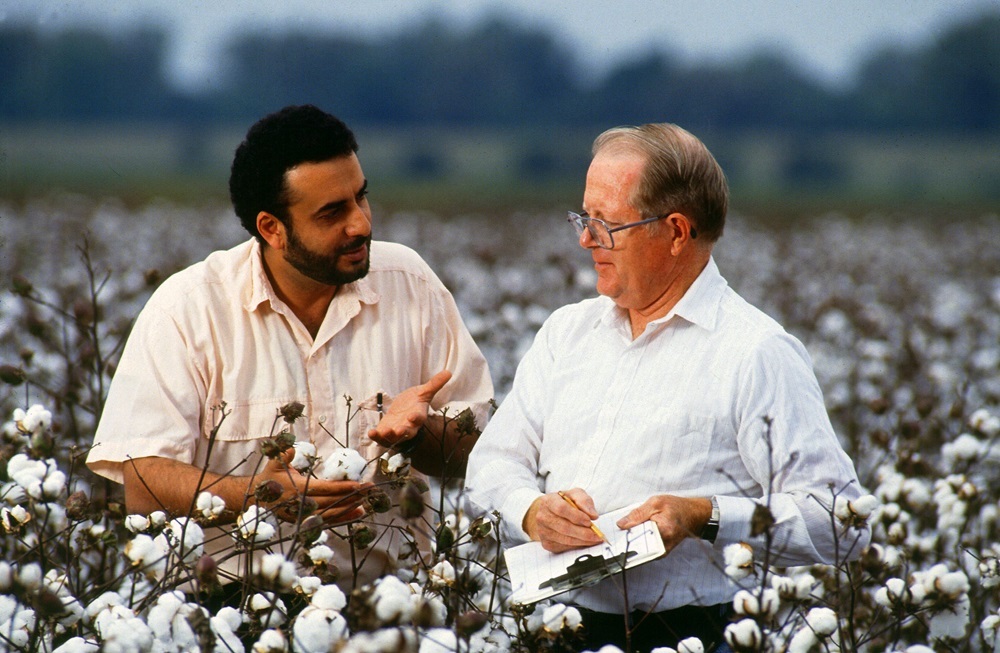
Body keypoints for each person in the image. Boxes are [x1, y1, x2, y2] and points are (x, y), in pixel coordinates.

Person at [466, 123, 870, 652]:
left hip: (695, 634)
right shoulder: (568, 332)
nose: (586, 239)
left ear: (677, 231)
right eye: (583, 219)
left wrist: (706, 515)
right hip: (558, 626)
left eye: (606, 224)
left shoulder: (755, 352)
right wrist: (532, 511)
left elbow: (842, 521)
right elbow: (490, 466)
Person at [87, 104, 493, 591]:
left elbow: (480, 453)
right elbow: (144, 481)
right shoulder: (188, 309)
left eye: (361, 198)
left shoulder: (410, 284)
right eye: (332, 213)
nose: (361, 224)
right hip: (233, 614)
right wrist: (258, 494)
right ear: (271, 228)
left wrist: (419, 433)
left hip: (391, 608)